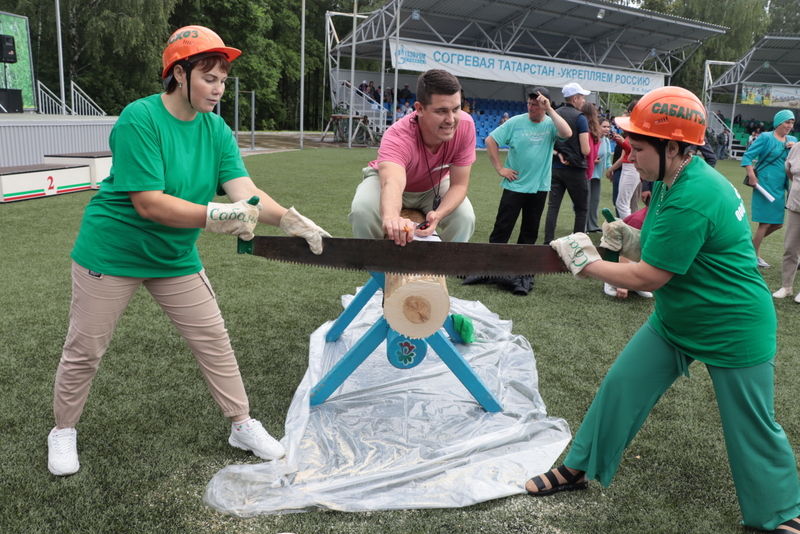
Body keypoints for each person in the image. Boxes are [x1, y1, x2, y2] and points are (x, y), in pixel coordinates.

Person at [45, 26, 331, 477]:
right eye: (209, 78)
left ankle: (241, 424)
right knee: (85, 350)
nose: (218, 90)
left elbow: (246, 193)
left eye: (222, 80)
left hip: (173, 257)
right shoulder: (139, 119)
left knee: (213, 339)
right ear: (179, 74)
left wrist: (288, 219)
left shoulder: (216, 129)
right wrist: (215, 216)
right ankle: (63, 431)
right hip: (112, 252)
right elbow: (148, 201)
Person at [530, 86, 800, 534]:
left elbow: (649, 278)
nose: (630, 157)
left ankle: (782, 514)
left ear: (673, 147)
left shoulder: (694, 192)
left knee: (752, 424)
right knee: (621, 387)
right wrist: (629, 238)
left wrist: (588, 263)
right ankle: (578, 467)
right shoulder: (673, 179)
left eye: (638, 148)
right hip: (677, 320)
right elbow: (675, 250)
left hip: (733, 326)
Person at [349, 69, 476, 245]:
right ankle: (378, 271)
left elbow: (460, 185)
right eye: (441, 111)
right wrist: (392, 218)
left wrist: (438, 215)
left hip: (434, 185)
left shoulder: (466, 125)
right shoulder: (397, 136)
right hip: (386, 182)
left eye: (456, 109)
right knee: (362, 211)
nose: (451, 119)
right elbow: (391, 182)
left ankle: (437, 268)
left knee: (465, 217)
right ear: (419, 109)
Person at [475, 88, 571, 295]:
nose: (531, 108)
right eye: (529, 104)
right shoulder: (516, 122)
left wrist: (551, 111)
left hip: (539, 187)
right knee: (502, 228)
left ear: (544, 105)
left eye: (536, 104)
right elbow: (490, 140)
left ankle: (522, 272)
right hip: (514, 185)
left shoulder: (550, 124)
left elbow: (567, 133)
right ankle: (491, 269)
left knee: (529, 232)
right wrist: (500, 168)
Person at [742, 109, 797, 268]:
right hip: (763, 184)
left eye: (792, 122)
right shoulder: (766, 137)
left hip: (781, 187)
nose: (789, 125)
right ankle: (753, 256)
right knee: (764, 223)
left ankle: (750, 247)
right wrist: (751, 175)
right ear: (778, 122)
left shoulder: (792, 139)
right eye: (787, 122)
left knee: (778, 224)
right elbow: (747, 156)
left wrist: (794, 148)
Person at [543, 82, 592, 243]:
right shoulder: (580, 118)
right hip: (576, 170)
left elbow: (547, 143)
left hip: (556, 168)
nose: (584, 100)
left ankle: (548, 240)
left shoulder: (553, 114)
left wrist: (558, 153)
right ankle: (578, 243)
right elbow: (585, 150)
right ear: (575, 98)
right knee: (581, 208)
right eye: (582, 97)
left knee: (553, 207)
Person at [771, 142, 800, 301]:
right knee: (790, 247)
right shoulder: (797, 147)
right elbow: (789, 170)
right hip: (796, 204)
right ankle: (786, 286)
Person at [582, 103, 603, 233]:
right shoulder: (594, 131)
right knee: (589, 199)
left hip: (589, 169)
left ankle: (589, 225)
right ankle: (586, 226)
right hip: (590, 168)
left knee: (590, 199)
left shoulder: (588, 131)